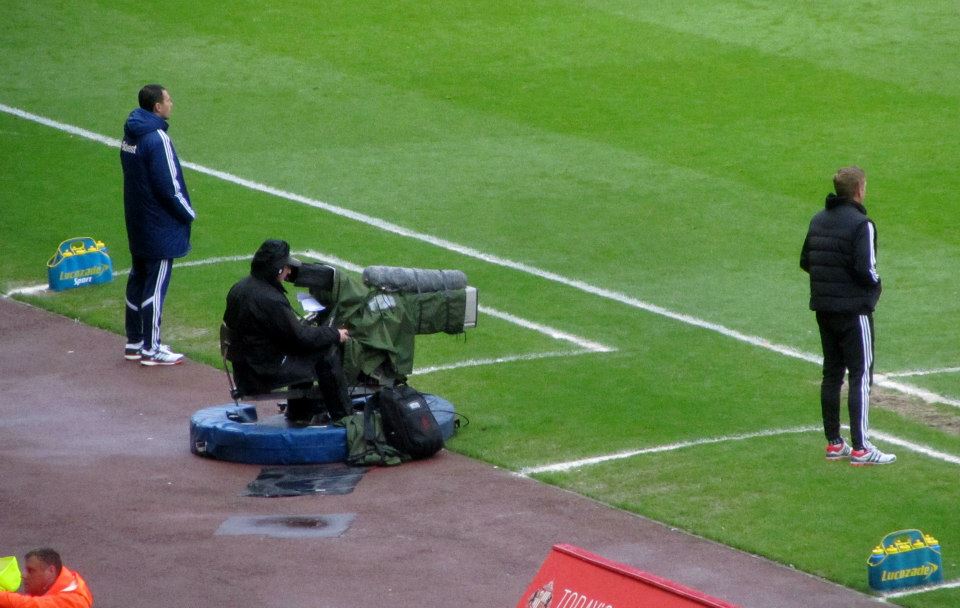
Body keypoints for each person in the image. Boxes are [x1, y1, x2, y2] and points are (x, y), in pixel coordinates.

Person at [800, 166, 895, 465]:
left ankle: (834, 443)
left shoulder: (817, 220)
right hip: (854, 311)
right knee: (860, 375)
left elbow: (806, 261)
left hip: (823, 307)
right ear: (858, 190)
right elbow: (866, 269)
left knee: (831, 373)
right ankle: (861, 447)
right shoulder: (862, 225)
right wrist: (876, 287)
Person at [223, 240, 352, 424]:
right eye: (286, 267)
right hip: (262, 373)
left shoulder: (239, 288)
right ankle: (345, 419)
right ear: (276, 270)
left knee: (304, 351)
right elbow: (300, 339)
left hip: (245, 369)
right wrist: (335, 334)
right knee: (326, 353)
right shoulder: (271, 300)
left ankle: (299, 415)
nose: (289, 271)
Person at [120, 84, 196, 366]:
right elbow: (169, 186)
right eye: (168, 99)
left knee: (137, 279)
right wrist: (188, 213)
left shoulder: (130, 135)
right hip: (159, 225)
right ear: (157, 107)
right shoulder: (157, 139)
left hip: (137, 220)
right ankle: (151, 349)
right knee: (155, 286)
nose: (171, 103)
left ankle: (134, 341)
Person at [0, 548, 93, 607]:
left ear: (51, 571)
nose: (23, 575)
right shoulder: (65, 577)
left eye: (31, 571)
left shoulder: (72, 601)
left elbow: (30, 605)